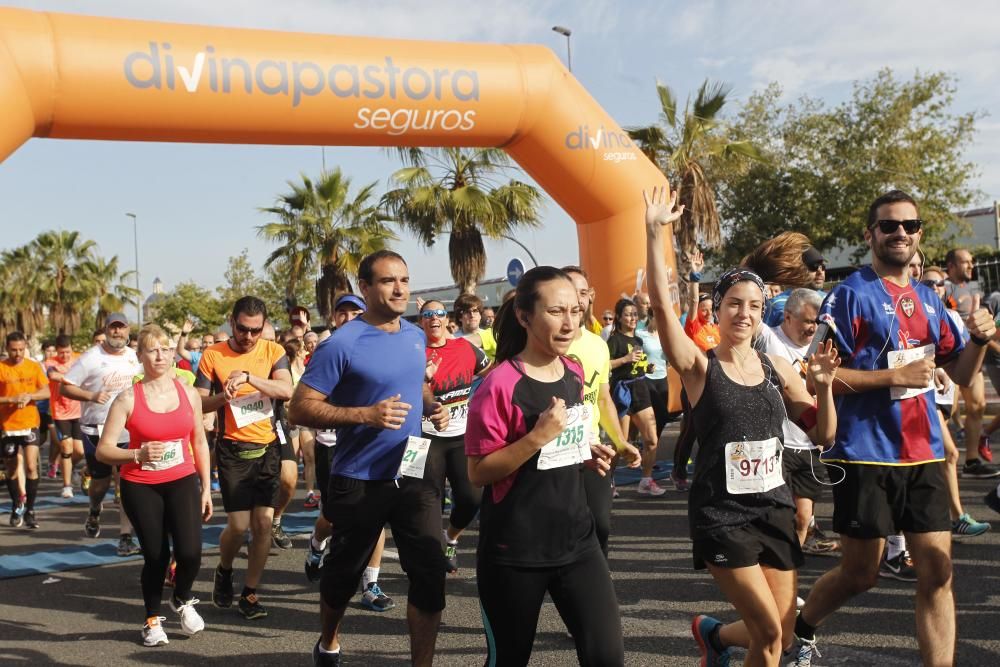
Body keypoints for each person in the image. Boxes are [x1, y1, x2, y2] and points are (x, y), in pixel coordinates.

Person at [794, 190, 996, 666]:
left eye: (909, 225)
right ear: (871, 235)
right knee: (861, 574)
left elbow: (962, 374)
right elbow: (816, 376)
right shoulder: (848, 295)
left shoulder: (930, 298)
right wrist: (893, 376)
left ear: (919, 233)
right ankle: (801, 628)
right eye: (888, 226)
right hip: (865, 453)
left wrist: (982, 340)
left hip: (923, 452)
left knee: (939, 572)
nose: (900, 232)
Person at [644, 186, 839, 666]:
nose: (744, 313)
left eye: (754, 305)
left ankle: (713, 637)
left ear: (762, 312)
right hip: (722, 513)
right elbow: (664, 310)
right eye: (734, 303)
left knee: (782, 634)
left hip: (774, 508)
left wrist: (825, 386)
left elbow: (823, 436)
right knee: (769, 632)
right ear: (718, 306)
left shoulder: (777, 366)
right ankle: (722, 638)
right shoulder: (698, 366)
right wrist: (655, 233)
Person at [287, 250, 450, 666]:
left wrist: (431, 405)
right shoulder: (341, 344)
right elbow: (300, 408)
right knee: (341, 578)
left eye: (404, 280)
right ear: (365, 287)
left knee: (429, 575)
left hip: (412, 473)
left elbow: (414, 389)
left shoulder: (415, 336)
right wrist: (364, 415)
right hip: (359, 477)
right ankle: (328, 641)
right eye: (387, 281)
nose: (399, 288)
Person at [465, 266, 622, 666]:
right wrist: (536, 437)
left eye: (575, 310)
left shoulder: (573, 371)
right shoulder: (498, 384)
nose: (569, 323)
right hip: (514, 551)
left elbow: (558, 448)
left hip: (578, 542)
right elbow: (478, 472)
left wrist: (585, 452)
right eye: (556, 312)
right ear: (524, 316)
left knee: (607, 658)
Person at [95, 325, 213, 647]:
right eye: (152, 349)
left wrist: (205, 487)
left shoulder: (188, 393)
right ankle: (150, 621)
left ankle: (182, 597)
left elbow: (199, 442)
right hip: (141, 483)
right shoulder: (127, 399)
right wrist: (137, 452)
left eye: (165, 348)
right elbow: (103, 450)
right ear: (140, 356)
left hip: (182, 478)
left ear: (173, 353)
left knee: (190, 552)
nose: (160, 355)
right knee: (157, 557)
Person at [197, 296, 293, 620]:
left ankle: (250, 593)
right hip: (232, 451)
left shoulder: (273, 352)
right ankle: (224, 570)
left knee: (263, 523)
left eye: (255, 330)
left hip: (267, 448)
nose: (248, 337)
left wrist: (250, 378)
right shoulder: (212, 355)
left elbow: (286, 390)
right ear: (231, 322)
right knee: (238, 527)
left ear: (264, 326)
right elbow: (197, 402)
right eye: (242, 329)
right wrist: (221, 398)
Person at [302, 292, 396, 613]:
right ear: (334, 318)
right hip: (334, 447)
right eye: (342, 313)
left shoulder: (381, 348)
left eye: (355, 312)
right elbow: (303, 404)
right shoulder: (327, 351)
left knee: (376, 517)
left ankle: (370, 584)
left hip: (374, 446)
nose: (348, 318)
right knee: (333, 517)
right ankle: (317, 545)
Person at [754, 289, 841, 557]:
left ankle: (787, 574)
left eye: (817, 323)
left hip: (810, 444)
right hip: (776, 446)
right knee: (777, 518)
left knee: (804, 519)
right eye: (807, 321)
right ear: (788, 317)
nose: (812, 328)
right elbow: (748, 310)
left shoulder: (821, 349)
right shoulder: (769, 338)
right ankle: (772, 574)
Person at [563, 265, 641, 555]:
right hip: (552, 454)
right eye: (571, 292)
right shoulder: (543, 345)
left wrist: (620, 442)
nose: (578, 300)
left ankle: (595, 583)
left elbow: (603, 398)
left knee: (601, 525)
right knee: (560, 529)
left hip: (592, 448)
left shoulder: (598, 344)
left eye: (583, 293)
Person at [61, 313, 143, 554]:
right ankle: (95, 507)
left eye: (121, 328)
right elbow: (65, 386)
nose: (117, 332)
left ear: (128, 330)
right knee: (100, 482)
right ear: (106, 330)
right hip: (95, 428)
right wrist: (91, 396)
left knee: (126, 483)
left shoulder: (134, 357)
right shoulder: (91, 357)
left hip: (128, 428)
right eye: (113, 328)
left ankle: (125, 536)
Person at [918, 267, 991, 538]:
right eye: (929, 282)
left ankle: (913, 530)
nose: (936, 287)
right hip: (920, 395)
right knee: (949, 453)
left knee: (933, 460)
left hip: (944, 395)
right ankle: (956, 516)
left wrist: (980, 337)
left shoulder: (950, 317)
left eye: (940, 283)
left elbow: (960, 369)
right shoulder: (910, 311)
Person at [420, 299, 490, 572]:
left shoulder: (464, 348)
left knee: (472, 498)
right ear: (422, 321)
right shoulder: (416, 351)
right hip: (426, 437)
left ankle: (451, 538)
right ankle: (431, 554)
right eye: (427, 314)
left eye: (438, 313)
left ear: (446, 318)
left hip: (461, 435)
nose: (433, 318)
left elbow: (492, 374)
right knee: (428, 501)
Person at [942, 248, 999, 477]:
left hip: (971, 358)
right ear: (952, 266)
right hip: (948, 359)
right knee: (948, 412)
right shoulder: (943, 288)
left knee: (977, 407)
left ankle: (971, 461)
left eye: (971, 262)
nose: (971, 266)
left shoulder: (969, 290)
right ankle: (941, 461)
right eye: (965, 262)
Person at [607, 298, 666, 496]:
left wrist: (646, 367)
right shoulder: (614, 340)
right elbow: (605, 365)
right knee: (620, 443)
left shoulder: (638, 341)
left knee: (651, 439)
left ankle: (646, 480)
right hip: (621, 391)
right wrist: (624, 359)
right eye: (627, 314)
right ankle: (609, 482)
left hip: (640, 388)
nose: (632, 318)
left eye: (634, 314)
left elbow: (637, 364)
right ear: (619, 317)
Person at [1, 332, 50, 529]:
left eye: (21, 349)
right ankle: (16, 505)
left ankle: (30, 509)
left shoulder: (33, 366)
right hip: (8, 426)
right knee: (12, 468)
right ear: (7, 348)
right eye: (14, 350)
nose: (18, 353)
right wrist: (10, 400)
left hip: (30, 423)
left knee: (31, 466)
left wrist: (30, 396)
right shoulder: (2, 368)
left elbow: (46, 391)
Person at [45, 335, 83, 499]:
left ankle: (70, 467)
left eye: (67, 352)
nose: (65, 356)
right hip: (60, 412)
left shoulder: (79, 359)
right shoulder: (51, 362)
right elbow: (53, 376)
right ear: (57, 351)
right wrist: (72, 378)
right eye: (61, 353)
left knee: (79, 452)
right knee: (66, 447)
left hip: (78, 410)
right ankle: (67, 485)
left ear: (71, 349)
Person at [764, 247, 827, 327]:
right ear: (798, 270)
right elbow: (761, 338)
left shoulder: (827, 300)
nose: (820, 272)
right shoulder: (776, 305)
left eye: (823, 267)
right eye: (814, 266)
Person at [455, 293, 497, 362]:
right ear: (459, 317)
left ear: (480, 315)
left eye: (475, 311)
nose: (472, 315)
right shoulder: (452, 339)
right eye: (467, 312)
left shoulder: (491, 335)